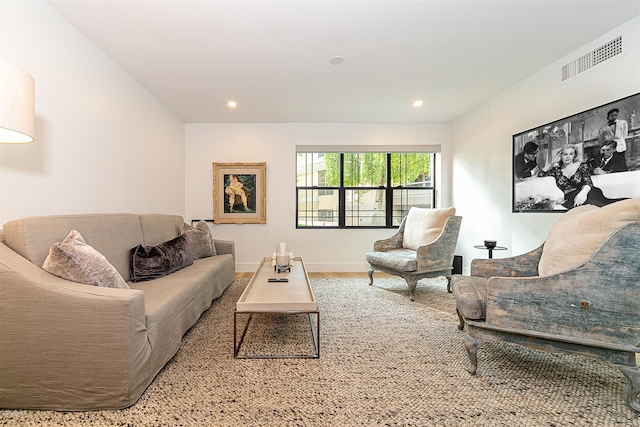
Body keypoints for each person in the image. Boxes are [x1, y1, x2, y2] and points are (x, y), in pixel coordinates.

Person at [539, 144, 623, 209]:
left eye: (571, 154)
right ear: (560, 156)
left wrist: (583, 193)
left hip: (588, 192)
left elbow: (587, 181)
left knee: (612, 205)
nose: (568, 156)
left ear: (574, 155)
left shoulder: (581, 165)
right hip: (570, 197)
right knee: (599, 209)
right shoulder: (556, 170)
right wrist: (552, 163)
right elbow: (541, 174)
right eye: (565, 154)